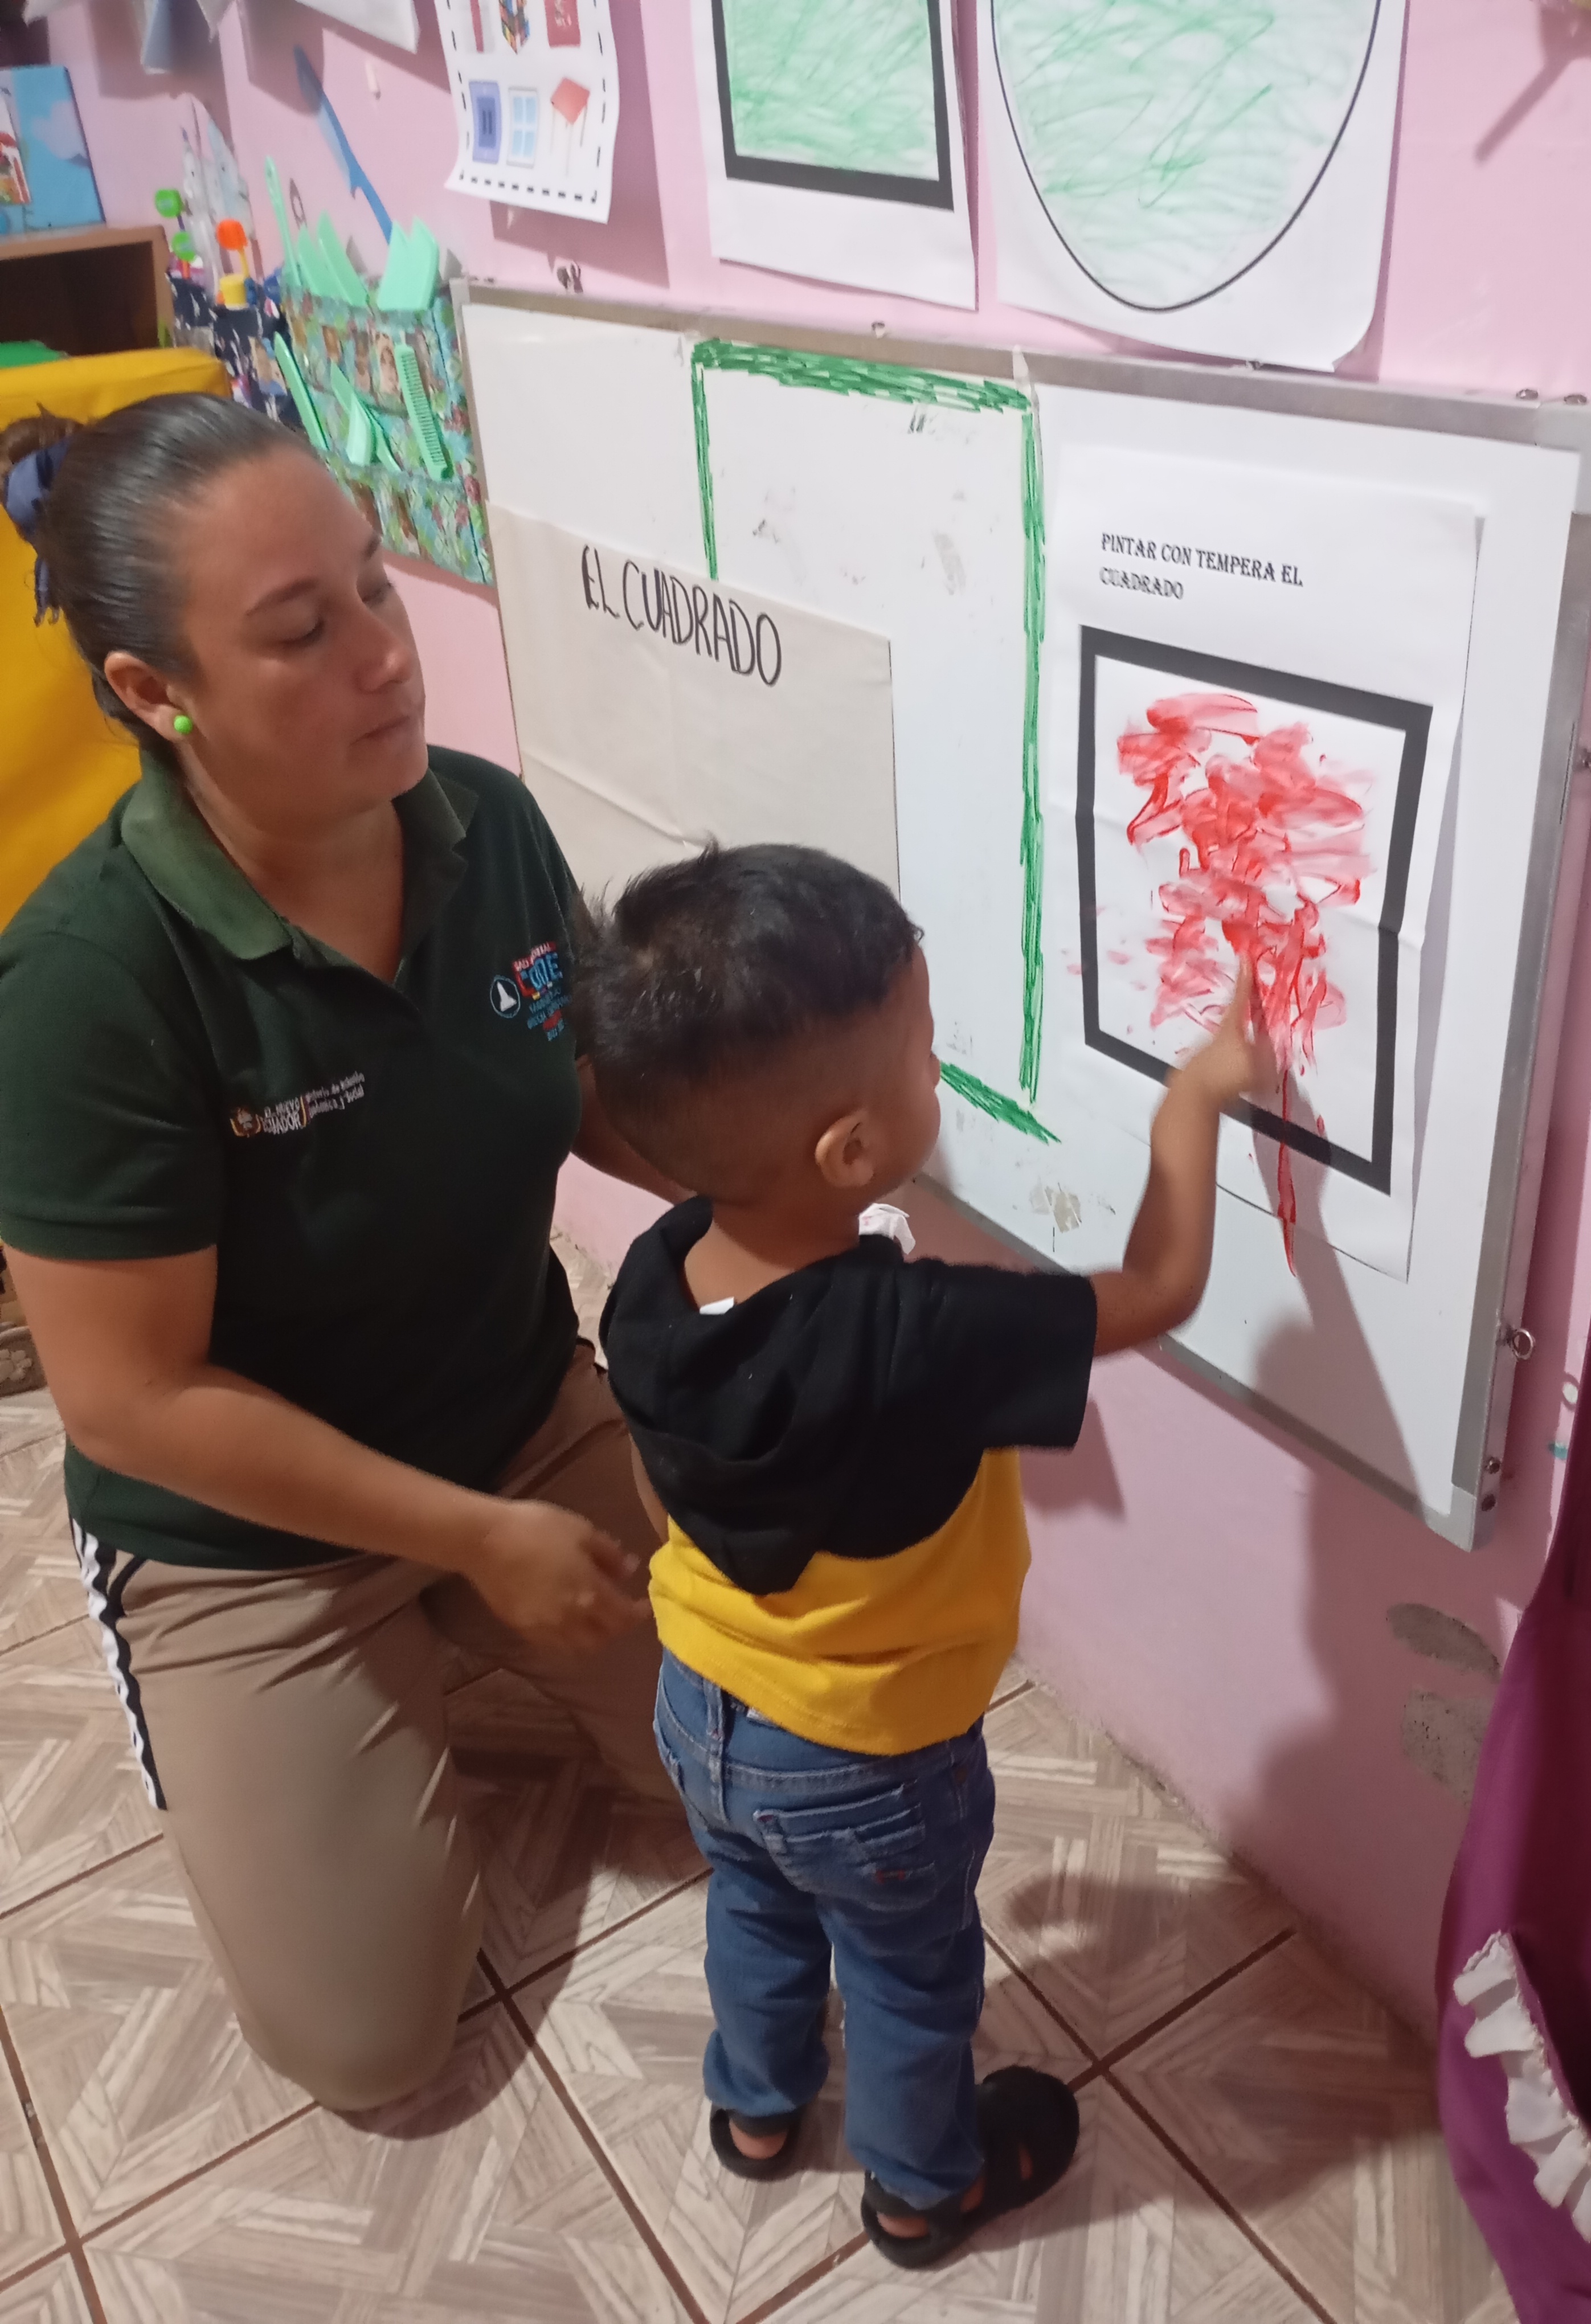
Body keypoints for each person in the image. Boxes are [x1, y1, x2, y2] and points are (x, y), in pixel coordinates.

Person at [0, 395, 680, 2112]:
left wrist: (785, 1195)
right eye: (301, 631)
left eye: (375, 585)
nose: (386, 654)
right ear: (153, 692)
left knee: (753, 1766)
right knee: (371, 2047)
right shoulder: (85, 983)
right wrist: (471, 1537)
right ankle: (332, 1644)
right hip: (245, 1543)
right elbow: (132, 1400)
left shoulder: (488, 825)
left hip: (509, 1411)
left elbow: (580, 1090)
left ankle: (456, 1599)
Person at [580, 844, 1271, 2267]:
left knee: (757, 1908)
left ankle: (757, 2108)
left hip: (701, 1706)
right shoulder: (920, 1331)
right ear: (849, 1150)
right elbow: (1159, 1287)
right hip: (871, 1760)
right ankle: (921, 2189)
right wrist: (1195, 1099)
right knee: (907, 1976)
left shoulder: (652, 1280)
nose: (940, 1070)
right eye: (926, 1053)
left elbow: (659, 1486)